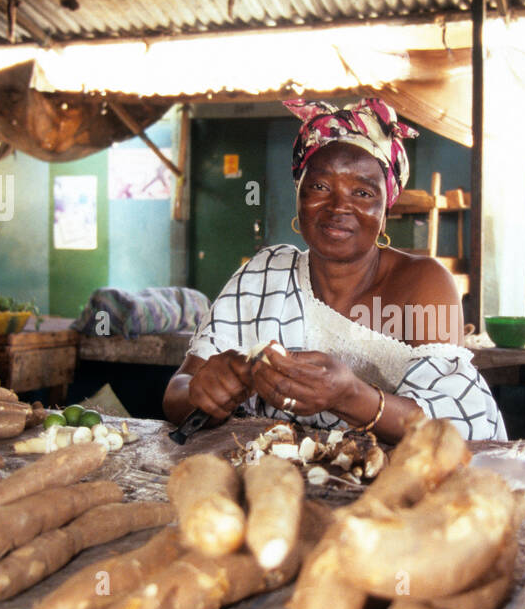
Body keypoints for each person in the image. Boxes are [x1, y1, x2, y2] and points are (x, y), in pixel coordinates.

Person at [164, 97, 506, 442]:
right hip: (279, 480)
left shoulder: (424, 282)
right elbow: (177, 394)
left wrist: (351, 397)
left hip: (398, 487)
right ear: (298, 194)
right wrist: (205, 391)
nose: (339, 207)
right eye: (320, 187)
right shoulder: (265, 275)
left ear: (385, 208)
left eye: (362, 192)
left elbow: (456, 427)